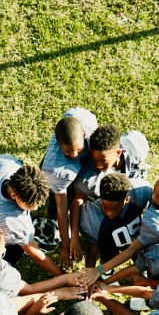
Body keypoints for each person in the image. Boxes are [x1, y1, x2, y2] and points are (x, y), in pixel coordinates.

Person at [81, 168, 159, 284]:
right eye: (154, 190)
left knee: (158, 267)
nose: (153, 197)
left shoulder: (156, 222)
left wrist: (99, 270)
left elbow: (133, 249)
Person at [0, 155, 61, 275]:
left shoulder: (4, 163)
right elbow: (37, 255)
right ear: (14, 195)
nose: (37, 207)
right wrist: (62, 275)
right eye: (31, 204)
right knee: (13, 253)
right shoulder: (14, 224)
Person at [41, 108, 98, 268]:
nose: (73, 155)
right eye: (68, 151)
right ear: (59, 146)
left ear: (85, 136)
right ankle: (48, 213)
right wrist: (66, 245)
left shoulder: (90, 127)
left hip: (85, 155)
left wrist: (75, 237)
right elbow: (62, 207)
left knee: (79, 189)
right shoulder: (54, 167)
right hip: (58, 172)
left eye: (78, 150)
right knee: (55, 205)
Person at [74, 172, 153, 270]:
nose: (109, 213)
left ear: (127, 199)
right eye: (105, 207)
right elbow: (93, 247)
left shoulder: (142, 192)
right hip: (112, 242)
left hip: (136, 238)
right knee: (107, 256)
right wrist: (89, 272)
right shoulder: (92, 218)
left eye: (114, 209)